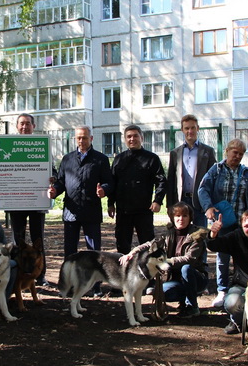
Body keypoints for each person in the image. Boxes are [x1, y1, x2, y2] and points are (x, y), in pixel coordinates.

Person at [197, 138, 248, 308]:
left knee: (246, 255)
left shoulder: (247, 173)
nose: (238, 156)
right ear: (227, 151)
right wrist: (208, 207)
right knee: (223, 256)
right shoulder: (216, 170)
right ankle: (222, 290)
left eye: (241, 154)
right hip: (223, 221)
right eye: (235, 152)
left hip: (244, 223)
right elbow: (203, 189)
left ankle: (245, 288)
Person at [48, 126, 113, 295]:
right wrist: (55, 190)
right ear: (75, 139)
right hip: (71, 212)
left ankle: (95, 286)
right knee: (70, 252)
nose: (81, 141)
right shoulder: (67, 159)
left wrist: (103, 190)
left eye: (84, 138)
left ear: (91, 138)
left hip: (91, 211)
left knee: (94, 252)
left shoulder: (101, 159)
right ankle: (68, 285)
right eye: (78, 138)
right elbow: (61, 181)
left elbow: (109, 182)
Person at [130, 202, 208, 317]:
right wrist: (135, 251)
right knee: (162, 293)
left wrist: (167, 261)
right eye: (177, 216)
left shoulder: (197, 236)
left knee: (186, 268)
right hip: (175, 279)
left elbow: (189, 259)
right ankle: (183, 303)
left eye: (184, 216)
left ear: (190, 218)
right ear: (173, 218)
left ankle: (193, 306)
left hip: (197, 278)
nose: (181, 219)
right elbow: (152, 244)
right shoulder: (169, 233)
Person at [107, 124, 166, 254]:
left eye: (135, 136)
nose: (132, 139)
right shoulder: (119, 159)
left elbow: (161, 181)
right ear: (125, 139)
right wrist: (110, 204)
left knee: (147, 246)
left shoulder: (152, 159)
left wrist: (158, 201)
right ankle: (123, 273)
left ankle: (147, 273)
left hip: (144, 210)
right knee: (122, 246)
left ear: (142, 137)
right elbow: (112, 183)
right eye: (129, 137)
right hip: (123, 211)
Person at [8, 113, 52, 286]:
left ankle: (40, 276)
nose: (25, 127)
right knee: (16, 240)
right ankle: (15, 275)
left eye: (28, 124)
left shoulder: (42, 146)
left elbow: (51, 170)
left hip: (37, 202)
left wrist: (52, 179)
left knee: (38, 240)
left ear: (34, 126)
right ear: (17, 126)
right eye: (21, 124)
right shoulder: (9, 146)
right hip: (16, 202)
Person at [166, 114, 217, 226]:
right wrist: (169, 205)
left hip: (200, 201)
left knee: (200, 234)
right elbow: (170, 180)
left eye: (193, 127)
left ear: (197, 128)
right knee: (181, 234)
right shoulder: (175, 153)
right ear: (182, 130)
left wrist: (210, 203)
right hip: (181, 200)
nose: (190, 131)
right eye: (187, 128)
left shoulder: (207, 151)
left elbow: (214, 179)